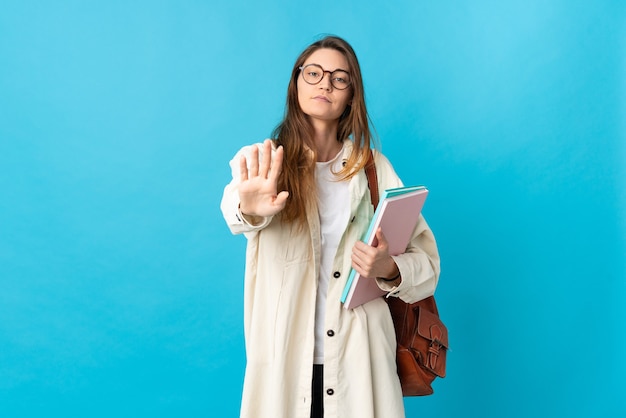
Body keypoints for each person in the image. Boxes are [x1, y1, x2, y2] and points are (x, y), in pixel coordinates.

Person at [220, 35, 440, 418]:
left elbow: (428, 265)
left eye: (340, 78)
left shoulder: (374, 169)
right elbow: (234, 211)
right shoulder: (265, 161)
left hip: (360, 364)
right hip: (285, 365)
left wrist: (387, 268)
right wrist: (249, 207)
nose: (325, 83)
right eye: (315, 73)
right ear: (297, 83)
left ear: (351, 95)